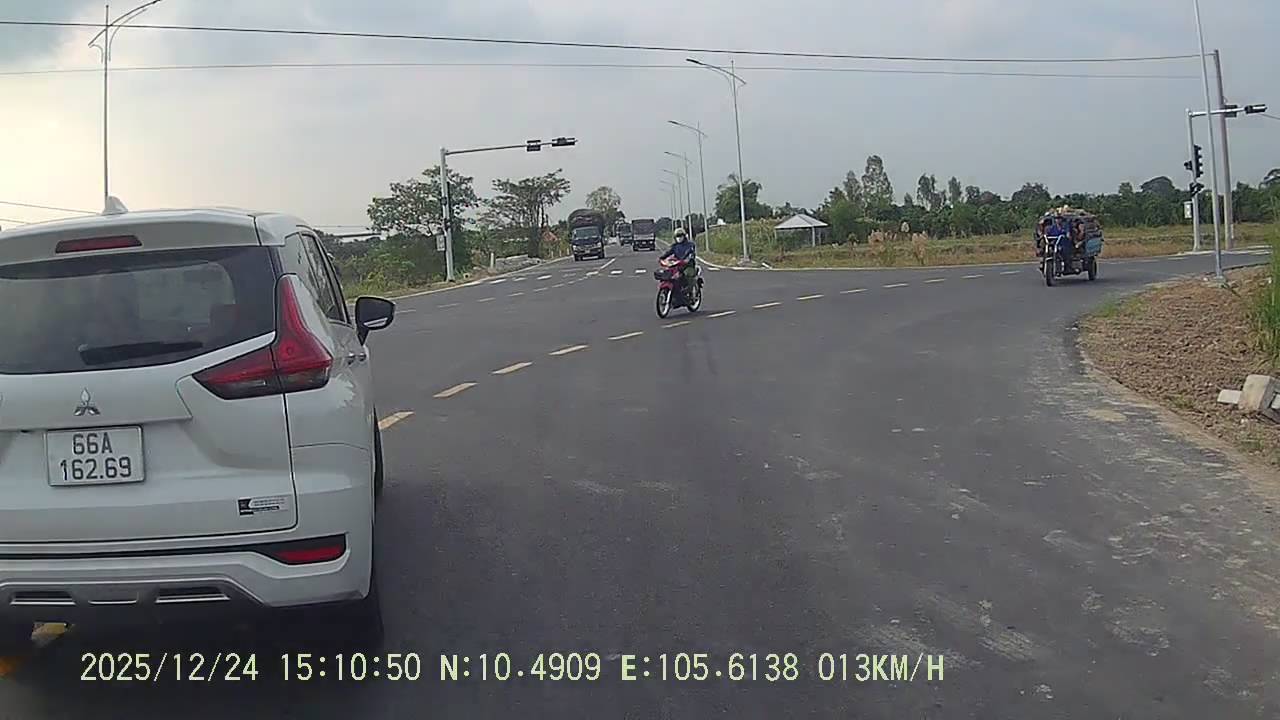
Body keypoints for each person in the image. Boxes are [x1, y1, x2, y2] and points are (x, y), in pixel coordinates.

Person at [660, 227, 697, 299]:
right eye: (677, 236)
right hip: (677, 265)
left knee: (688, 274)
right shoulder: (675, 246)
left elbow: (691, 254)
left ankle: (689, 291)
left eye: (680, 236)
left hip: (688, 265)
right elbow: (668, 252)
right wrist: (662, 258)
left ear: (684, 236)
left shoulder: (690, 245)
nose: (679, 238)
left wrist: (688, 259)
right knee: (669, 274)